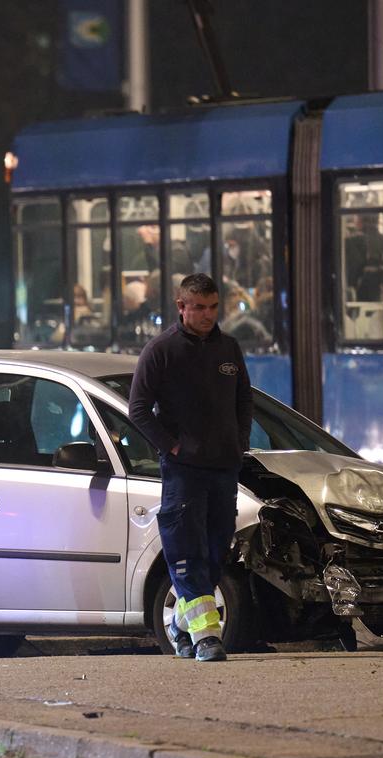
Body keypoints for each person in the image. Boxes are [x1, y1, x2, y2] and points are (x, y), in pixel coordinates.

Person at [128, 273, 252, 663]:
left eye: (213, 307)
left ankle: (183, 624)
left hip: (223, 468)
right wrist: (173, 446)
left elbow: (243, 402)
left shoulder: (229, 348)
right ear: (181, 307)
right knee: (186, 554)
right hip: (183, 471)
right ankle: (206, 638)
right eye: (198, 307)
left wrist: (240, 442)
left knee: (216, 553)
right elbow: (138, 410)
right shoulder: (161, 350)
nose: (207, 315)